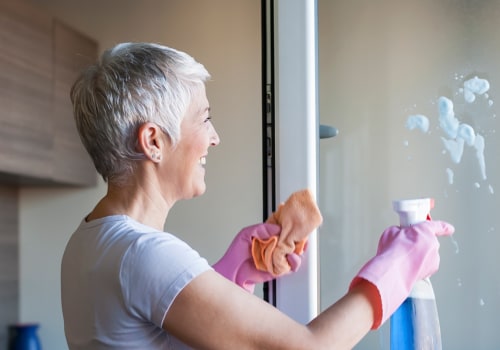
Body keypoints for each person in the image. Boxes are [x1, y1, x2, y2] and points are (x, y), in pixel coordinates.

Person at [61, 42, 454, 349]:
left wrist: (235, 269)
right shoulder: (142, 254)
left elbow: (164, 331)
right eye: (205, 119)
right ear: (153, 141)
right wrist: (399, 264)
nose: (214, 138)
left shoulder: (88, 241)